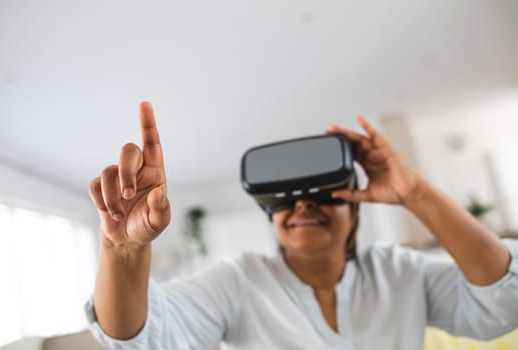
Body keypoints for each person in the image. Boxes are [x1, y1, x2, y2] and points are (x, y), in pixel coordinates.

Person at [85, 101, 518, 350]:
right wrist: (123, 251)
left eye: (324, 194)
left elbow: (504, 304)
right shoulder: (238, 281)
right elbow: (143, 340)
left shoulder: (401, 271)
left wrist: (416, 193)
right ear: (271, 217)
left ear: (355, 212)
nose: (303, 206)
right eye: (285, 200)